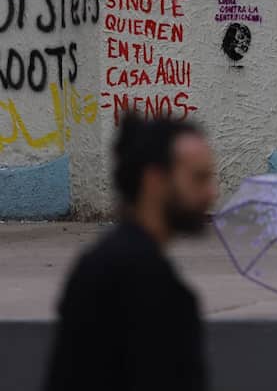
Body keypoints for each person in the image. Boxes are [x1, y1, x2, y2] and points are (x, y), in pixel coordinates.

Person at [43, 114, 218, 391]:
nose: (211, 193)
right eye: (199, 178)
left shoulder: (101, 262)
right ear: (154, 181)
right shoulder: (150, 285)